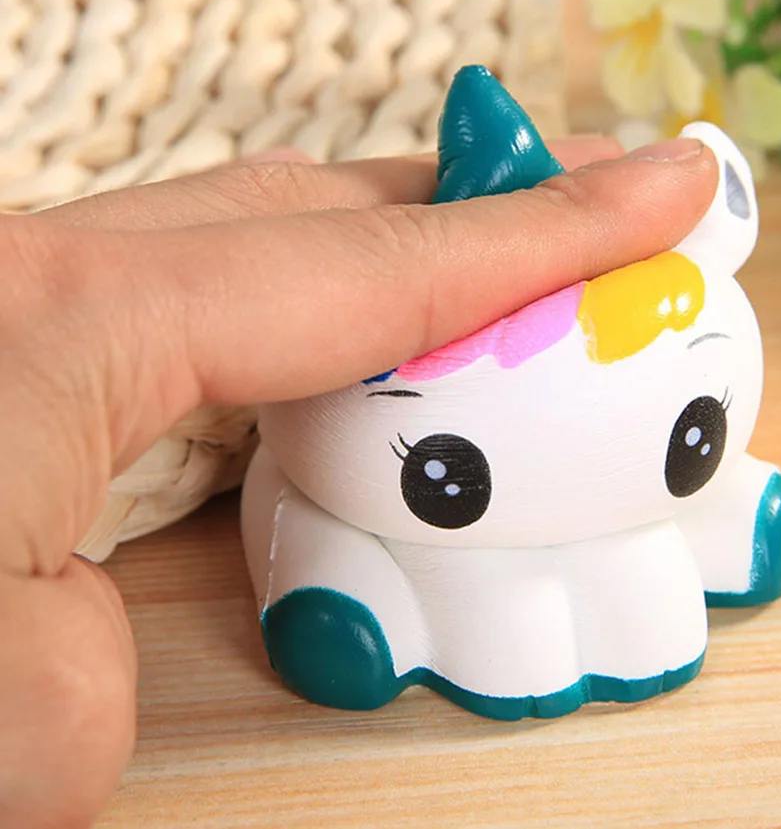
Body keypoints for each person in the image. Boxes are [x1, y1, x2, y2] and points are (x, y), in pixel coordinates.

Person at [0, 136, 715, 829]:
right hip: (366, 524)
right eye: (442, 474)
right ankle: (351, 603)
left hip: (622, 518)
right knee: (489, 605)